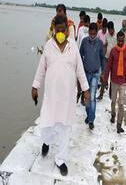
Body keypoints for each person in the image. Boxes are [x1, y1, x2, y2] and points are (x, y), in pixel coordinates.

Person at [31, 15, 90, 176]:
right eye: (58, 30)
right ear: (54, 29)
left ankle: (60, 160)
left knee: (65, 128)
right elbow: (41, 68)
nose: (60, 33)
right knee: (47, 123)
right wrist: (35, 85)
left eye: (63, 30)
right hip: (51, 97)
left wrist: (85, 89)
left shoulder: (73, 47)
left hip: (68, 98)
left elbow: (80, 70)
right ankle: (46, 142)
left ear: (67, 30)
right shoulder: (49, 46)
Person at [103, 31, 126, 133]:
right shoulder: (113, 51)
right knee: (113, 100)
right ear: (117, 40)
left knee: (121, 104)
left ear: (124, 40)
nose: (120, 42)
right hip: (114, 81)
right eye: (118, 40)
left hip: (123, 81)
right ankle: (113, 115)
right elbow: (108, 67)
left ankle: (119, 125)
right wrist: (106, 80)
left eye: (122, 40)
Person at [80, 23, 105, 130]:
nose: (92, 35)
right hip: (85, 73)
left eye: (94, 33)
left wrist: (103, 72)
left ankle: (91, 120)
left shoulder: (100, 43)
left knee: (93, 97)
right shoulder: (84, 41)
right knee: (87, 97)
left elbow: (102, 58)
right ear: (89, 31)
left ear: (96, 32)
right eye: (91, 33)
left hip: (95, 73)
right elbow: (80, 56)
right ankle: (89, 114)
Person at [97, 21, 116, 101]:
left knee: (112, 77)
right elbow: (105, 45)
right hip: (106, 58)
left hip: (114, 59)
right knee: (104, 76)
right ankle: (101, 95)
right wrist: (102, 55)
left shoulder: (116, 36)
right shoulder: (107, 35)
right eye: (108, 29)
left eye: (110, 29)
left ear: (113, 29)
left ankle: (111, 95)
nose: (108, 31)